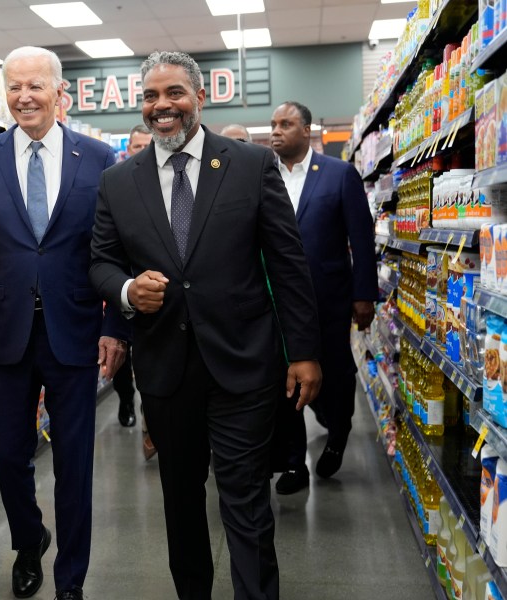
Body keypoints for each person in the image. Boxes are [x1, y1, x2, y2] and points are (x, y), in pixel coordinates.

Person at [90, 51, 323, 600]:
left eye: (173, 93)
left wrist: (304, 352)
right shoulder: (118, 182)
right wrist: (126, 291)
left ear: (200, 97)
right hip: (166, 373)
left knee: (244, 498)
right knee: (181, 502)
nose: (161, 106)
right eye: (150, 96)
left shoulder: (249, 165)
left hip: (242, 363)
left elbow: (287, 264)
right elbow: (100, 261)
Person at [0, 46, 128, 600]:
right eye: (14, 86)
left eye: (35, 86)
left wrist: (116, 327)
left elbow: (118, 250)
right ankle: (30, 539)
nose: (24, 96)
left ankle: (70, 579)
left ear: (59, 94)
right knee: (7, 450)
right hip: (4, 334)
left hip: (75, 332)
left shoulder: (97, 159)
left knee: (75, 463)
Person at [269, 101, 377, 494]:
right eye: (273, 124)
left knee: (335, 371)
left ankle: (338, 432)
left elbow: (362, 239)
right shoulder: (265, 176)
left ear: (307, 130)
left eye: (286, 123)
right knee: (286, 379)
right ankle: (295, 464)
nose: (276, 130)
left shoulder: (339, 174)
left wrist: (365, 294)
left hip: (329, 296)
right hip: (279, 301)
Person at [116, 124, 156, 460]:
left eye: (148, 144)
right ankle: (127, 401)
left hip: (159, 298)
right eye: (136, 144)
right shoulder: (115, 181)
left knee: (152, 366)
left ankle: (151, 427)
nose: (141, 150)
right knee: (124, 361)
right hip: (122, 293)